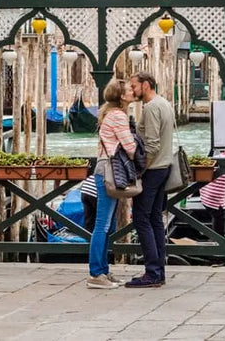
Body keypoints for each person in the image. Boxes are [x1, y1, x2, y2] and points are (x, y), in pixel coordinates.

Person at [126, 72, 175, 288]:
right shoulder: (165, 103)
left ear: (146, 85)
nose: (133, 90)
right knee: (155, 219)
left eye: (135, 86)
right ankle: (158, 271)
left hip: (153, 170)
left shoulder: (152, 107)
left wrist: (140, 171)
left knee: (141, 219)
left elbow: (152, 145)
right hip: (163, 167)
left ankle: (152, 271)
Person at [87, 79, 137, 289]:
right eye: (128, 90)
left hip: (105, 170)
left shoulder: (111, 114)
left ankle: (103, 271)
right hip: (108, 172)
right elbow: (130, 147)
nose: (132, 92)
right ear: (121, 96)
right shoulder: (118, 116)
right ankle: (96, 273)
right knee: (103, 224)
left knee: (107, 225)